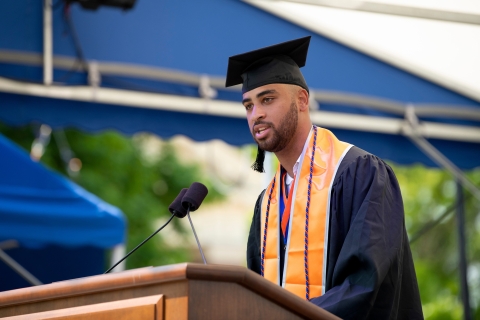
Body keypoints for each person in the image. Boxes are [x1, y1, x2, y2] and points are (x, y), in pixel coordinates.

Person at [225, 36, 423, 319]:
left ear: (302, 100)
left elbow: (364, 284)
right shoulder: (267, 202)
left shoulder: (361, 174)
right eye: (248, 106)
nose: (256, 114)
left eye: (267, 99)